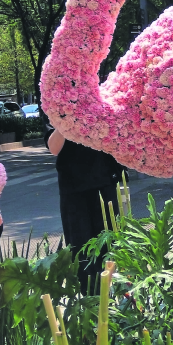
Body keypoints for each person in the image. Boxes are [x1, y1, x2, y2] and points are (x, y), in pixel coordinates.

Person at [46, 121, 120, 291]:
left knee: (110, 249)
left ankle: (111, 303)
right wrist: (67, 117)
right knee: (80, 253)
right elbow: (53, 148)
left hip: (104, 182)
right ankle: (91, 305)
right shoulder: (54, 101)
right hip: (73, 188)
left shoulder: (103, 95)